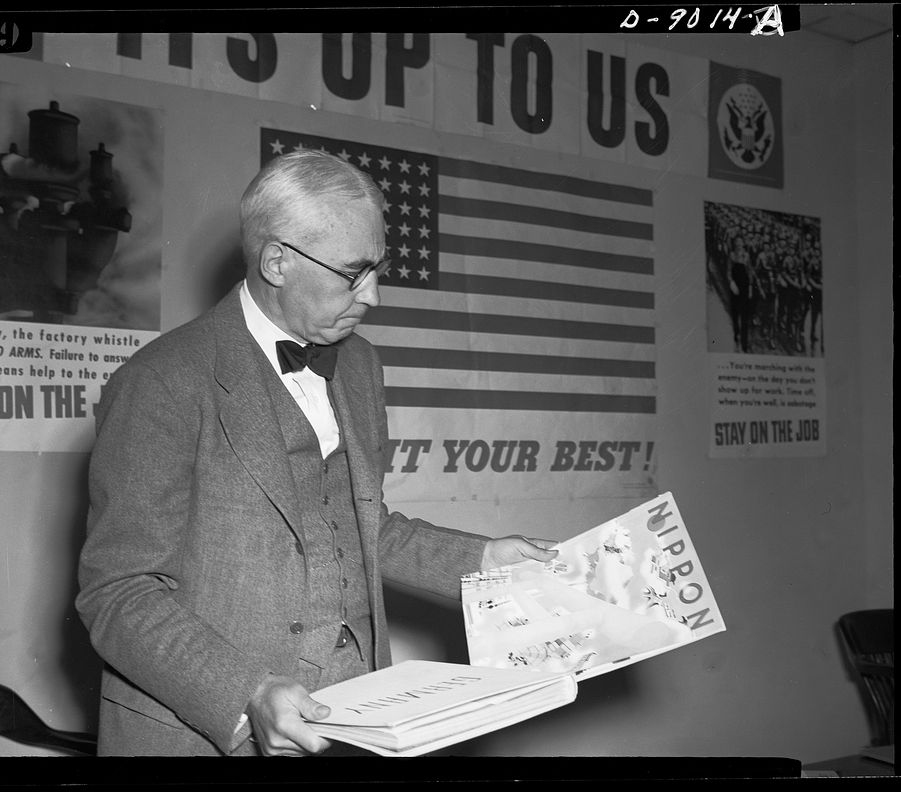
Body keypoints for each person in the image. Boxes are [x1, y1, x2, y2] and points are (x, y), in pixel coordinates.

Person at [75, 149, 557, 757]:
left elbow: (356, 529)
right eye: (353, 273)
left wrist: (484, 557)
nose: (374, 296)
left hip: (358, 721)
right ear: (276, 261)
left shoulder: (360, 364)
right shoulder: (161, 381)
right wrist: (246, 692)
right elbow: (118, 593)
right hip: (205, 734)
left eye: (378, 269)